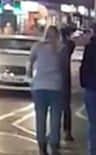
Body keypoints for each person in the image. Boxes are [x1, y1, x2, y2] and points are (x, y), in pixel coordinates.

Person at [29, 25, 63, 155]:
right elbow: (63, 67)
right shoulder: (60, 49)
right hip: (55, 87)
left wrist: (30, 78)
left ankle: (42, 146)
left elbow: (30, 62)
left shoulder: (38, 46)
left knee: (40, 117)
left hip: (39, 86)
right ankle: (54, 144)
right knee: (55, 118)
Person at [80, 25, 96, 155]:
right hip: (91, 86)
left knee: (93, 123)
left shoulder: (90, 48)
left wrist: (84, 83)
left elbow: (84, 68)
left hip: (91, 87)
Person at [60, 26, 76, 142]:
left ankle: (65, 131)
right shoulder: (68, 45)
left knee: (62, 107)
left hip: (60, 78)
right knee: (65, 107)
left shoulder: (67, 45)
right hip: (64, 78)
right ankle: (66, 131)